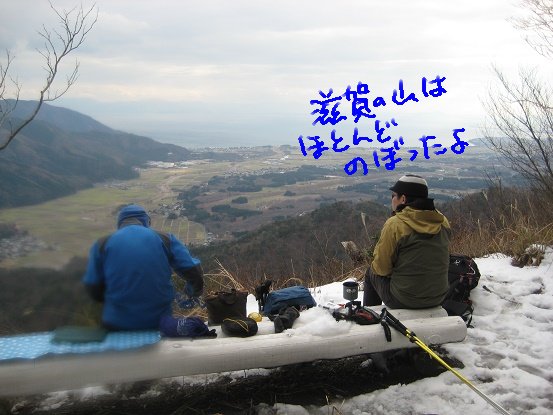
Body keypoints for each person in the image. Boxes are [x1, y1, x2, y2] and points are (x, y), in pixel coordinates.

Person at [83, 204, 205, 331]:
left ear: (120, 223)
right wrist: (191, 293)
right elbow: (193, 270)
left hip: (116, 323)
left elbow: (93, 287)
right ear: (146, 221)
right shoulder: (166, 239)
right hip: (158, 321)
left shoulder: (102, 244)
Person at [363, 174, 450, 309]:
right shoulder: (442, 221)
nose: (392, 200)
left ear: (403, 199)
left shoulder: (395, 224)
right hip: (439, 296)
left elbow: (381, 268)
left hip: (403, 300)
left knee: (371, 273)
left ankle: (369, 315)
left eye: (393, 196)